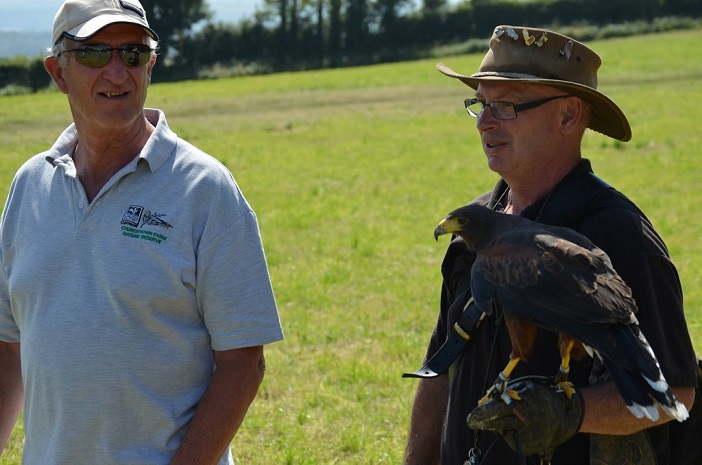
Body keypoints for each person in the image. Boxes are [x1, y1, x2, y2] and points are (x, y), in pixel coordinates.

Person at [0, 1, 284, 464]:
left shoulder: (204, 189)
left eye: (132, 54)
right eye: (94, 54)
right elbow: (7, 345)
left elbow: (243, 364)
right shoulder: (29, 185)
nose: (117, 73)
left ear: (150, 66)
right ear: (58, 72)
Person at [403, 25, 698, 465]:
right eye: (481, 104)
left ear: (568, 115)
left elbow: (675, 392)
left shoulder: (619, 237)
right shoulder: (476, 228)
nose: (485, 121)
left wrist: (570, 411)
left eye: (506, 105)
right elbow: (441, 369)